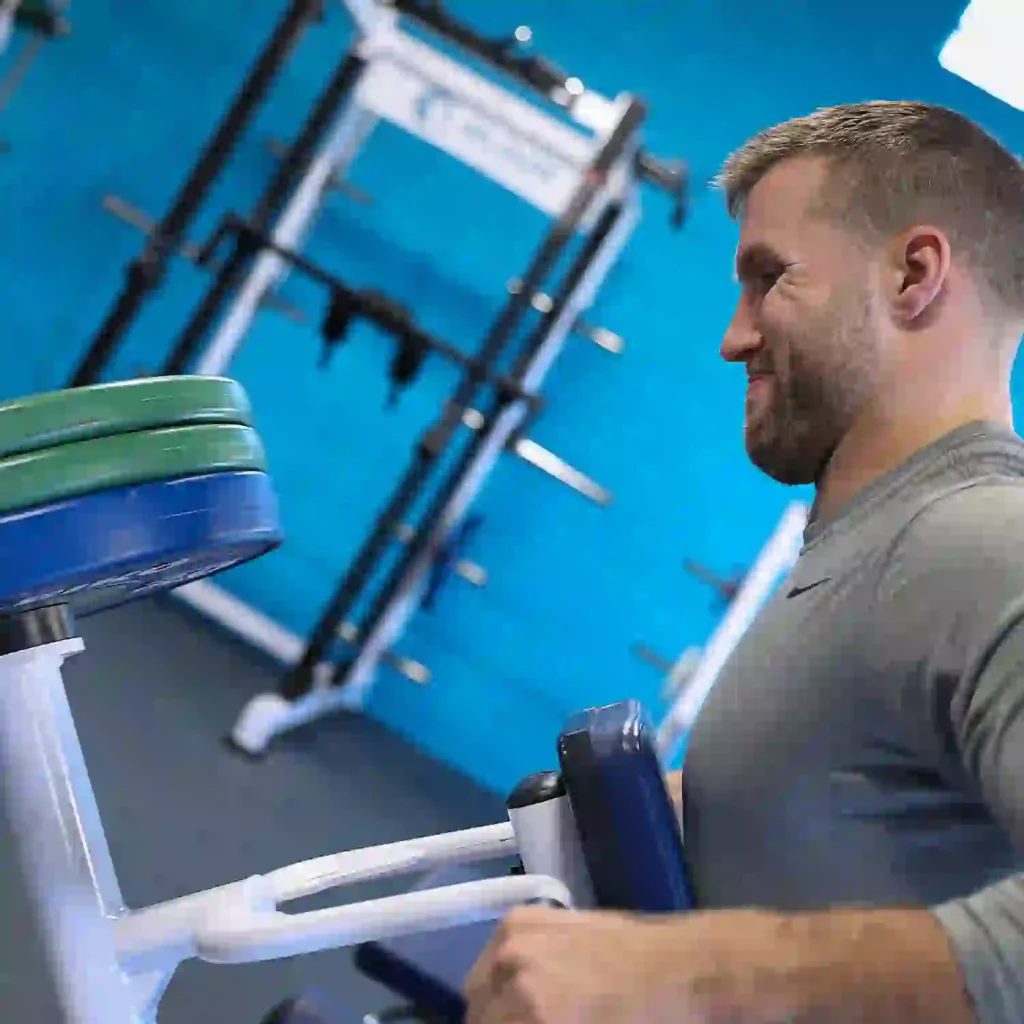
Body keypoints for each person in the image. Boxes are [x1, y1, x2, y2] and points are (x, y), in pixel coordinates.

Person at [463, 100, 1024, 1024]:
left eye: (771, 280)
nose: (735, 336)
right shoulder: (884, 542)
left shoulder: (982, 544)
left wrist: (695, 975)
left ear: (914, 275)